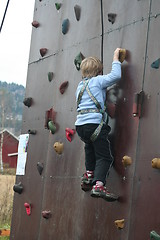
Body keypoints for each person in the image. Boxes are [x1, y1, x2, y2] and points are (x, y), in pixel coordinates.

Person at [75, 48, 122, 201]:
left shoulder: (79, 86)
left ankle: (89, 174)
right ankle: (99, 185)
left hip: (80, 126)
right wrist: (116, 57)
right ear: (98, 71)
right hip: (94, 124)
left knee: (89, 147)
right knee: (105, 157)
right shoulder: (98, 81)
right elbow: (116, 76)